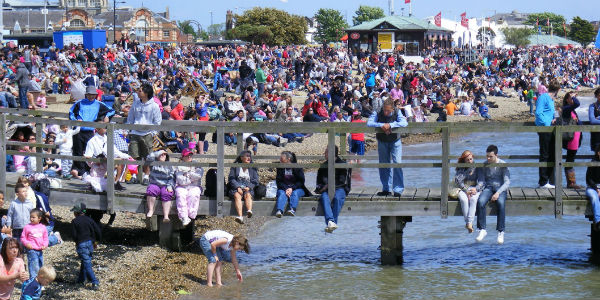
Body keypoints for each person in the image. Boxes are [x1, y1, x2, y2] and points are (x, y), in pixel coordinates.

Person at [69, 86, 115, 179]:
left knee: (89, 152)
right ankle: (79, 171)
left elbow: (112, 110)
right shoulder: (79, 103)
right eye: (89, 95)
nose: (91, 97)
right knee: (77, 150)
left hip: (90, 131)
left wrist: (106, 116)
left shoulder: (99, 104)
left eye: (93, 95)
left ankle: (88, 171)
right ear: (86, 95)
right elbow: (71, 112)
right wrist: (76, 120)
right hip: (78, 131)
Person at [367, 99, 408, 197]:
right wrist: (381, 125)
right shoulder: (378, 111)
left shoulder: (397, 112)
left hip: (395, 141)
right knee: (384, 164)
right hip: (382, 141)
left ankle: (398, 189)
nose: (386, 113)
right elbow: (369, 123)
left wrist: (390, 125)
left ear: (392, 109)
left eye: (388, 111)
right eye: (384, 110)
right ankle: (386, 188)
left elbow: (404, 123)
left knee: (397, 163)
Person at [126, 83, 162, 186]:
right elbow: (130, 118)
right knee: (133, 155)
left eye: (140, 90)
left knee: (147, 156)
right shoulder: (136, 103)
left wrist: (152, 133)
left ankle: (146, 176)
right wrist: (129, 130)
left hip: (147, 133)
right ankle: (133, 175)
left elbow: (157, 121)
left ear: (146, 93)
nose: (138, 92)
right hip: (135, 132)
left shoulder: (154, 106)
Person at [475, 145, 510, 244]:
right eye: (487, 156)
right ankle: (482, 229)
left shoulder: (503, 164)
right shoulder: (484, 165)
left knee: (501, 203)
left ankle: (501, 231)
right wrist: (477, 188)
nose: (488, 158)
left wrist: (498, 193)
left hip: (500, 187)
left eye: (490, 156)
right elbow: (482, 181)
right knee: (481, 201)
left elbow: (507, 182)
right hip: (489, 187)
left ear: (496, 155)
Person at [315, 146, 351, 233]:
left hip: (340, 188)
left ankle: (332, 222)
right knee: (324, 198)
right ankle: (331, 221)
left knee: (337, 198)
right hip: (326, 190)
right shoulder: (323, 166)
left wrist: (329, 185)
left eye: (326, 152)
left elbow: (343, 181)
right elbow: (319, 182)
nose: (324, 154)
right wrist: (321, 188)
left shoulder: (342, 164)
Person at [71, 203, 101, 290]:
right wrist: (96, 241)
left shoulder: (74, 221)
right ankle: (81, 280)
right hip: (90, 243)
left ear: (76, 212)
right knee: (85, 262)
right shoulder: (90, 220)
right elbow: (98, 231)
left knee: (87, 263)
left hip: (82, 244)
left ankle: (94, 282)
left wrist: (77, 242)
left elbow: (74, 235)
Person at [535, 82, 558, 188]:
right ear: (558, 90)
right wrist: (546, 123)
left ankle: (547, 180)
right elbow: (538, 113)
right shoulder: (543, 97)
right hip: (545, 128)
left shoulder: (552, 100)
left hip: (551, 129)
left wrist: (554, 119)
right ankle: (543, 181)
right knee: (544, 154)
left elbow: (551, 113)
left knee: (552, 153)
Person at [454, 150, 483, 233]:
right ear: (464, 160)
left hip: (474, 188)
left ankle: (469, 223)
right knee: (464, 200)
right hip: (462, 188)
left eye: (471, 159)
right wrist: (466, 190)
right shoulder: (461, 168)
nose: (470, 161)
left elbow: (481, 181)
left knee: (473, 199)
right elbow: (459, 181)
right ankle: (468, 223)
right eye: (467, 160)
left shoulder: (477, 167)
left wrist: (476, 189)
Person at [275, 151, 310, 218]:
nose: (280, 160)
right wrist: (286, 189)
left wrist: (292, 188)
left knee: (295, 193)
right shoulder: (280, 168)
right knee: (282, 194)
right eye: (280, 159)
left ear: (288, 159)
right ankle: (279, 210)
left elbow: (301, 181)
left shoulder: (297, 167)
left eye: (282, 159)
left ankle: (292, 209)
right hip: (283, 188)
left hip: (297, 188)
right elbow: (278, 181)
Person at [228, 150, 259, 224]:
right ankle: (240, 216)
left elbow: (255, 180)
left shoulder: (252, 167)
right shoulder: (235, 166)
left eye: (250, 156)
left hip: (247, 186)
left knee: (248, 195)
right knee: (236, 195)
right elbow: (231, 178)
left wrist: (249, 187)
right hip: (237, 186)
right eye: (247, 156)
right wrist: (237, 187)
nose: (249, 158)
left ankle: (249, 211)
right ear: (241, 158)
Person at [174, 149, 203, 226]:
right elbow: (181, 181)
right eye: (187, 155)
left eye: (190, 155)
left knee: (193, 195)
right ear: (183, 157)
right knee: (180, 195)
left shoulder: (197, 164)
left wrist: (187, 174)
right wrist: (192, 177)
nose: (189, 156)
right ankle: (183, 216)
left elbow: (199, 175)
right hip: (182, 187)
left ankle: (191, 215)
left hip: (195, 186)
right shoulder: (179, 166)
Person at [145, 150, 175, 222]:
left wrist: (170, 186)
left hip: (166, 184)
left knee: (167, 193)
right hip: (155, 183)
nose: (163, 155)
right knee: (151, 190)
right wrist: (157, 153)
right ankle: (151, 210)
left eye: (165, 154)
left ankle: (166, 215)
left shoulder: (169, 165)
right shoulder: (153, 163)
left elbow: (172, 177)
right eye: (161, 154)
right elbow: (148, 157)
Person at [561, 92, 583, 189]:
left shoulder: (572, 111)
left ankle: (571, 182)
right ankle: (571, 183)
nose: (573, 99)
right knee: (570, 159)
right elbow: (577, 103)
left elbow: (580, 123)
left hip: (576, 137)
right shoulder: (566, 109)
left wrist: (578, 121)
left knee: (571, 158)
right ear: (567, 99)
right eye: (571, 98)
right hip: (571, 138)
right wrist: (574, 97)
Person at [20, 209, 48, 279]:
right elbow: (23, 238)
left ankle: (40, 281)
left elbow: (45, 238)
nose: (31, 219)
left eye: (33, 217)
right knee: (33, 266)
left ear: (39, 218)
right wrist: (27, 244)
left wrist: (45, 244)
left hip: (40, 250)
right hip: (31, 250)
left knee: (40, 265)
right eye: (30, 217)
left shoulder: (43, 227)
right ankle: (34, 281)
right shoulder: (27, 227)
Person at [589, 88, 600, 154]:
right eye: (599, 95)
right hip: (596, 136)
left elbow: (595, 119)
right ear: (596, 96)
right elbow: (592, 121)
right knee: (597, 156)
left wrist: (598, 117)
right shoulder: (592, 106)